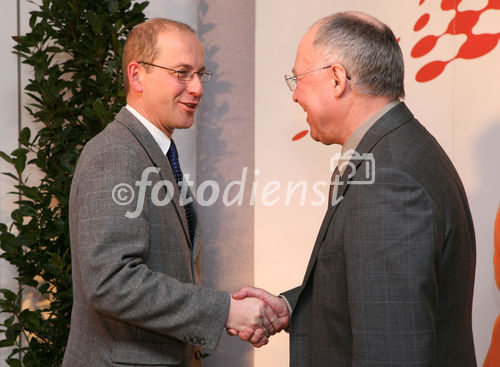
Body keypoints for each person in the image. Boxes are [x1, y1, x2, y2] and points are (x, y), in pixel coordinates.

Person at [231, 11, 477, 366]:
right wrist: (289, 306)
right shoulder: (400, 149)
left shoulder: (388, 179)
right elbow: (381, 291)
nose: (295, 95)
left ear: (336, 79)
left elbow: (391, 349)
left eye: (297, 79)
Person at [62, 18, 280, 367]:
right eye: (182, 73)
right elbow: (110, 281)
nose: (197, 88)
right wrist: (224, 311)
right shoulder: (116, 153)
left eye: (200, 73)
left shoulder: (155, 152)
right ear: (136, 76)